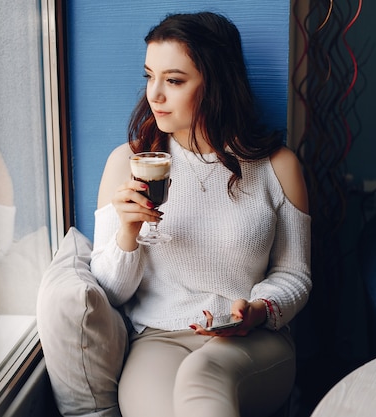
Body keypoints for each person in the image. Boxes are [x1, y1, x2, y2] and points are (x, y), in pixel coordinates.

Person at [90, 11, 312, 417]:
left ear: (216, 85)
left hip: (252, 341)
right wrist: (127, 233)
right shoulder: (129, 162)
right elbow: (109, 293)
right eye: (149, 76)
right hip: (159, 339)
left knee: (202, 373)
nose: (154, 94)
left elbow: (295, 275)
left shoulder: (278, 167)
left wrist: (258, 310)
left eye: (173, 80)